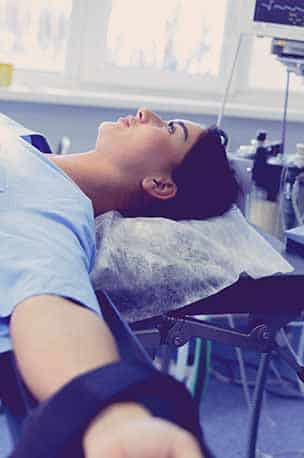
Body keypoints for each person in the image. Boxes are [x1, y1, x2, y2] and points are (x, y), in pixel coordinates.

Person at [0, 107, 238, 457]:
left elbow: (48, 299)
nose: (146, 112)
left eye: (170, 129)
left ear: (160, 184)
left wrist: (112, 413)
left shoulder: (51, 203)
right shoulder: (27, 145)